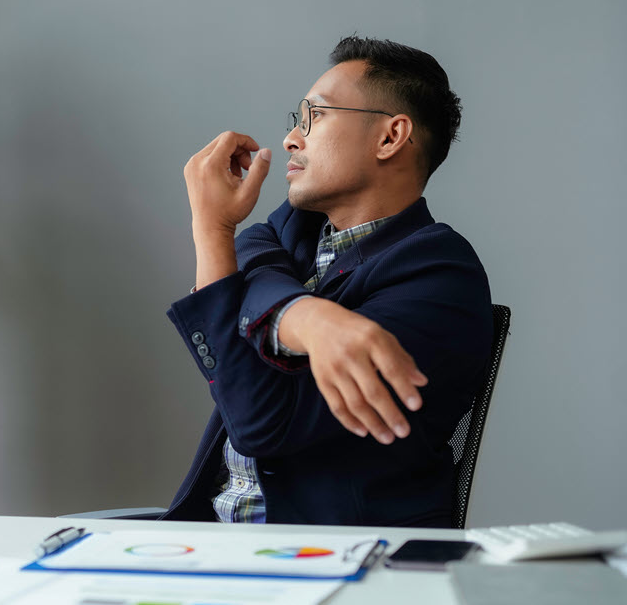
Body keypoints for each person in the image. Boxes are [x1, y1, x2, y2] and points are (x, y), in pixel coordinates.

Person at [163, 36, 493, 527]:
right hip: (213, 536)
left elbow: (262, 423)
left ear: (390, 137)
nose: (294, 138)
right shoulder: (294, 232)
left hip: (332, 559)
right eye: (296, 120)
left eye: (315, 116)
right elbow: (251, 248)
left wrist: (212, 231)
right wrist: (304, 317)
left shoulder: (440, 274)